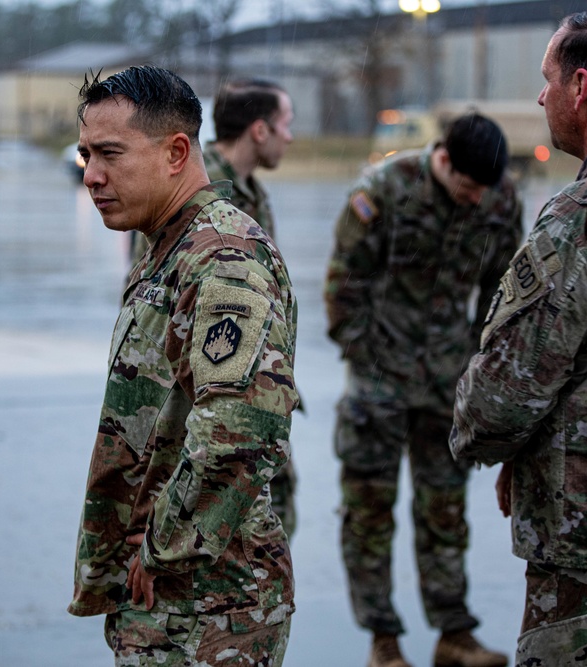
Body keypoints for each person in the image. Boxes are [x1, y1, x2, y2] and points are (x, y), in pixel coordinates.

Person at [69, 65, 299, 665]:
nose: (91, 176)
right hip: (171, 596)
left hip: (205, 604)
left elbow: (238, 433)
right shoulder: (169, 245)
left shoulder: (223, 258)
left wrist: (163, 548)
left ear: (176, 152)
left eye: (110, 154)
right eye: (85, 154)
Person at [451, 10, 587, 666]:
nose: (539, 95)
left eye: (547, 79)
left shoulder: (585, 218)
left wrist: (499, 445)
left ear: (581, 88)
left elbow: (501, 398)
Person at [324, 113, 522, 667]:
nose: (474, 199)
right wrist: (366, 355)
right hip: (379, 381)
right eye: (466, 186)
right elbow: (344, 282)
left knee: (445, 511)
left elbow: (501, 291)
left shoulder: (500, 201)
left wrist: (482, 363)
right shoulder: (385, 189)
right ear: (443, 160)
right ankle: (383, 641)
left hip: (448, 382)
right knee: (369, 513)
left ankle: (453, 633)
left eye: (484, 190)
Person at [127, 79, 300, 539]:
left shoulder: (249, 192)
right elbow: (154, 293)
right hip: (196, 403)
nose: (291, 136)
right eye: (286, 124)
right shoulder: (194, 191)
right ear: (259, 131)